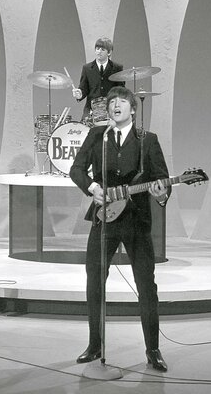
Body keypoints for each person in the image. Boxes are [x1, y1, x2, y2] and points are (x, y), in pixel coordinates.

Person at [69, 86, 170, 371]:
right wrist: (92, 187)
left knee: (146, 285)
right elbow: (76, 170)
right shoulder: (97, 136)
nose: (116, 106)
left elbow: (161, 179)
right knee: (94, 280)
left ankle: (153, 349)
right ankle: (94, 345)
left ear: (133, 110)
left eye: (122, 102)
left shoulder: (148, 140)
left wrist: (161, 192)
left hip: (136, 220)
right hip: (104, 218)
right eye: (112, 102)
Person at [72, 37, 125, 122]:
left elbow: (121, 90)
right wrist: (80, 94)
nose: (99, 51)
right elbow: (83, 88)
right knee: (85, 128)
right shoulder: (87, 68)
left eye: (102, 49)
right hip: (91, 108)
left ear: (109, 52)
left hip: (110, 108)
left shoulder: (117, 68)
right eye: (97, 49)